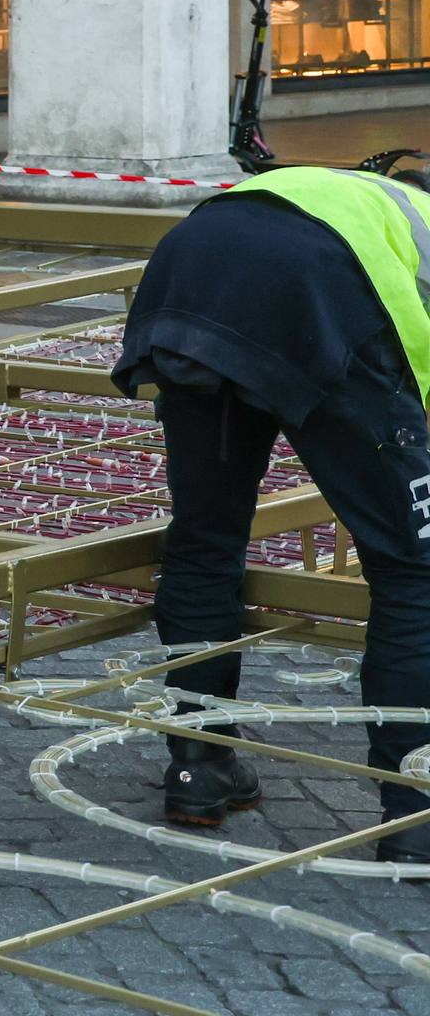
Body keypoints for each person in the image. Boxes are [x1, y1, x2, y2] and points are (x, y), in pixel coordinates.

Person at [112, 155, 430, 862]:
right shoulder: (408, 229)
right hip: (316, 292)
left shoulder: (350, 193)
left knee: (205, 535)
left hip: (189, 282)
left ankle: (199, 766)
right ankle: (415, 813)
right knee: (415, 567)